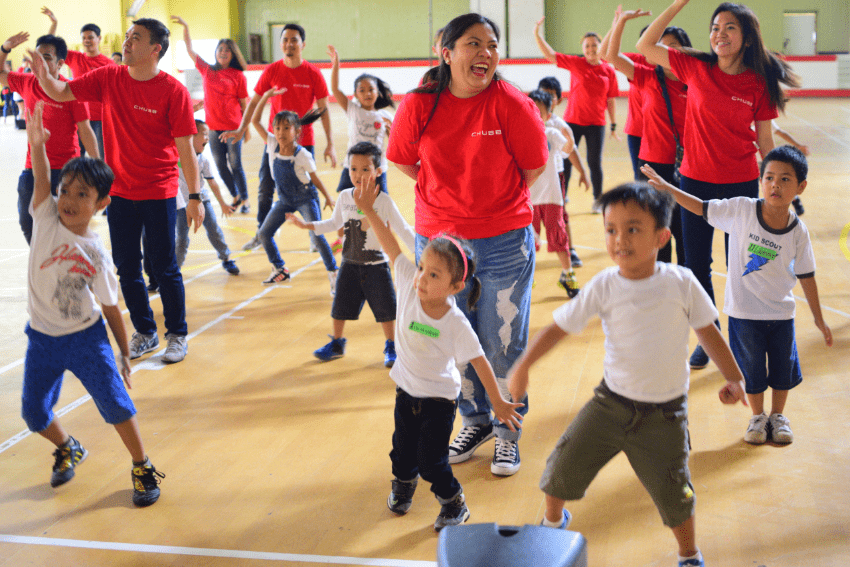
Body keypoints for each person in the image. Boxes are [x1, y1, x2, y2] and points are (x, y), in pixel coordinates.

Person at [508, 182, 748, 567]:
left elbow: (709, 332)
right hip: (610, 405)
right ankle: (553, 524)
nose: (620, 239)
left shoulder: (681, 283)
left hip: (664, 416)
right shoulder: (605, 285)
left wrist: (734, 378)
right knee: (559, 469)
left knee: (676, 496)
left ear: (662, 236)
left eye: (633, 229)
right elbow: (557, 327)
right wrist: (523, 365)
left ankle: (689, 555)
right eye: (611, 230)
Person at [388, 13, 547, 477]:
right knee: (453, 338)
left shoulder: (512, 104)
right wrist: (447, 197)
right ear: (447, 51)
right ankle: (475, 420)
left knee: (502, 343)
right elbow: (402, 159)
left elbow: (533, 168)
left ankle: (507, 432)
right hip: (440, 243)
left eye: (493, 46)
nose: (486, 54)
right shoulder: (420, 104)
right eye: (473, 44)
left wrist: (487, 203)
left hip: (503, 241)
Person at [351, 171, 524, 532]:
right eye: (423, 269)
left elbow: (480, 362)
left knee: (433, 461)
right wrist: (368, 209)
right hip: (405, 391)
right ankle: (403, 483)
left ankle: (453, 502)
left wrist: (499, 403)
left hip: (439, 401)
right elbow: (389, 243)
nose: (422, 278)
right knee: (401, 452)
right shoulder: (408, 286)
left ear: (456, 285)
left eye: (433, 275)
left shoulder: (455, 322)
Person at [27, 17, 204, 364]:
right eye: (126, 36)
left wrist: (195, 197)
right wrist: (45, 77)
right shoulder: (108, 77)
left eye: (135, 38)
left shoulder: (173, 91)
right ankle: (146, 331)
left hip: (159, 190)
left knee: (164, 266)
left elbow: (186, 149)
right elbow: (62, 92)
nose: (126, 42)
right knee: (126, 266)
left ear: (155, 49)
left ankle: (177, 334)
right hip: (120, 191)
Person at [638, 0, 800, 369]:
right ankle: (709, 337)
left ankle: (743, 338)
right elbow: (646, 46)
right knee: (696, 266)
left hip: (740, 186)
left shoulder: (758, 83)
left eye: (729, 28)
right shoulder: (695, 67)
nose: (719, 34)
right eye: (715, 28)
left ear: (745, 38)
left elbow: (764, 141)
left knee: (742, 268)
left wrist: (776, 189)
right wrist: (677, 4)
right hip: (693, 183)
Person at [22, 101, 164, 508]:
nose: (68, 198)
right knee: (34, 413)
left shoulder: (96, 254)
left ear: (102, 202)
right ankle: (68, 446)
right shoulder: (45, 216)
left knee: (116, 404)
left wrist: (122, 352)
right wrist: (37, 146)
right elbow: (43, 180)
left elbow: (110, 308)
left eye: (81, 194)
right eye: (66, 190)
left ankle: (141, 465)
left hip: (86, 340)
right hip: (42, 340)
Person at [642, 146, 831, 446]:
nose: (775, 185)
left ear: (800, 187)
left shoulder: (798, 231)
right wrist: (668, 189)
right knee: (752, 369)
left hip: (781, 314)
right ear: (760, 180)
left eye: (785, 180)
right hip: (744, 313)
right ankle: (757, 416)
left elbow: (807, 275)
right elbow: (702, 207)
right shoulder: (742, 210)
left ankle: (778, 416)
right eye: (769, 177)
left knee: (782, 369)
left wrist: (819, 319)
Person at [287, 142, 414, 366]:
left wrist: (423, 251)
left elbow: (403, 229)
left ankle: (391, 346)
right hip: (349, 264)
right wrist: (306, 225)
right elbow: (334, 223)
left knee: (386, 309)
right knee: (339, 307)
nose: (358, 174)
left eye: (365, 169)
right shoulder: (345, 197)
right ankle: (337, 343)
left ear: (378, 171)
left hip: (376, 266)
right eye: (353, 168)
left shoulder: (383, 202)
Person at [221, 23, 336, 251]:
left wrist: (331, 143)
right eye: (285, 40)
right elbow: (254, 103)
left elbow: (324, 110)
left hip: (304, 144)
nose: (289, 44)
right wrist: (241, 128)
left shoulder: (313, 74)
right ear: (281, 43)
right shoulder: (272, 71)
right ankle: (262, 234)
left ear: (302, 44)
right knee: (265, 191)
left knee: (308, 192)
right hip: (274, 145)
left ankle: (315, 237)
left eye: (294, 40)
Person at [604, 8, 690, 266]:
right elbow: (610, 56)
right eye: (662, 48)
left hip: (688, 167)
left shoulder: (696, 81)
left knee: (685, 235)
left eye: (674, 47)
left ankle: (684, 291)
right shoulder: (647, 76)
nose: (668, 53)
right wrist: (620, 21)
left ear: (685, 51)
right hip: (653, 166)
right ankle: (659, 290)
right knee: (657, 233)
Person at [2, 32, 99, 244]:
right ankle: (45, 261)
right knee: (27, 222)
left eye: (46, 57)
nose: (40, 62)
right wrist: (5, 48)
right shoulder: (27, 82)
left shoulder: (71, 90)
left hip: (66, 170)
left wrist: (98, 166)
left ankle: (63, 267)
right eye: (37, 56)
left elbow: (85, 130)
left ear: (60, 63)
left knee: (64, 225)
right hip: (34, 168)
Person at [251, 91, 338, 290]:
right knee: (264, 233)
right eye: (277, 127)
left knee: (316, 235)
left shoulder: (303, 155)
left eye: (286, 128)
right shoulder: (272, 144)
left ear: (297, 131)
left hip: (305, 198)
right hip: (284, 200)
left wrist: (327, 197)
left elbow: (315, 179)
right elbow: (255, 121)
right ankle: (280, 269)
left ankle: (334, 272)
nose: (280, 132)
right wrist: (266, 97)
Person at [534, 17, 619, 211]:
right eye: (587, 46)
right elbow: (551, 55)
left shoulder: (608, 71)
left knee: (594, 163)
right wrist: (537, 34)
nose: (590, 49)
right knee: (567, 160)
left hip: (596, 123)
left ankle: (598, 199)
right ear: (583, 48)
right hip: (573, 121)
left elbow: (611, 100)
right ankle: (563, 196)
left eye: (594, 45)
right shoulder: (576, 63)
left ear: (600, 47)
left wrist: (613, 125)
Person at [171, 16, 251, 213]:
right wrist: (187, 26)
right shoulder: (207, 70)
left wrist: (244, 129)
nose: (223, 52)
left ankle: (245, 200)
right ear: (216, 52)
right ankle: (236, 195)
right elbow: (190, 51)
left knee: (235, 164)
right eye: (220, 49)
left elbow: (244, 104)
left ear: (233, 54)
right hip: (213, 127)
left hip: (233, 126)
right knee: (220, 166)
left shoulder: (238, 76)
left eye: (227, 50)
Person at [43, 7, 116, 158]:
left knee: (101, 158)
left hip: (99, 119)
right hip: (77, 116)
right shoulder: (76, 57)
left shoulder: (109, 64)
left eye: (90, 37)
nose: (86, 41)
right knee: (75, 157)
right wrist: (54, 23)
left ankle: (102, 182)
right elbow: (50, 47)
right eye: (84, 38)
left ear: (99, 38)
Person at [527, 89, 580, 297]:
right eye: (530, 110)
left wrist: (569, 140)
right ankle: (526, 277)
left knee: (558, 236)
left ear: (548, 116)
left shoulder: (551, 133)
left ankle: (568, 274)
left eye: (539, 112)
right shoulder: (520, 133)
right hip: (529, 198)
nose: (534, 115)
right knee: (528, 241)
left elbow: (566, 150)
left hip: (551, 196)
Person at [174, 119, 239, 275]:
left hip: (201, 201)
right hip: (181, 204)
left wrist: (223, 203)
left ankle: (226, 258)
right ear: (191, 136)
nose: (207, 138)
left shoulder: (203, 160)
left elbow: (213, 184)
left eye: (208, 134)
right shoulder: (177, 154)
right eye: (204, 134)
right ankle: (175, 269)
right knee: (181, 238)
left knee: (213, 229)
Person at [327, 45, 393, 195]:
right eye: (361, 90)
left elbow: (396, 144)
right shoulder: (353, 110)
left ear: (378, 92)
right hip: (353, 166)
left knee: (381, 202)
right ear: (355, 94)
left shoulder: (386, 117)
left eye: (371, 89)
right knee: (347, 200)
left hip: (377, 168)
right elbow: (335, 89)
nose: (367, 93)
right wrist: (336, 64)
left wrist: (393, 133)